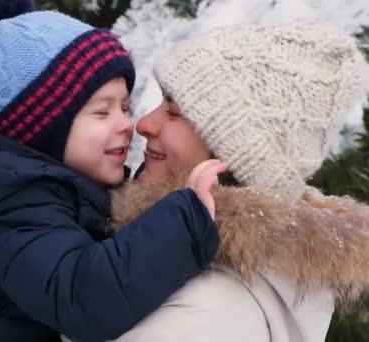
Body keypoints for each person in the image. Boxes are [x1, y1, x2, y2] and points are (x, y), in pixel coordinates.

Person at [0, 0, 225, 340]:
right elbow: (83, 299)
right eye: (102, 112)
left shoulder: (51, 187)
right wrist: (184, 223)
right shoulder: (14, 205)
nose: (128, 124)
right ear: (40, 130)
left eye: (124, 106)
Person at [98, 21, 369, 342]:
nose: (143, 124)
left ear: (237, 152)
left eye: (173, 112)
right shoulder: (178, 267)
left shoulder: (198, 318)